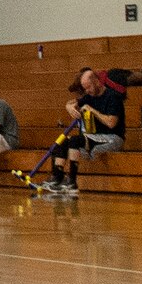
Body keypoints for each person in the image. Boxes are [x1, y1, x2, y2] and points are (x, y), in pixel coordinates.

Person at [46, 67, 125, 195]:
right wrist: (69, 107)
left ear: (97, 82)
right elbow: (73, 102)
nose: (87, 91)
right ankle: (57, 178)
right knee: (62, 142)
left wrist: (92, 110)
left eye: (89, 87)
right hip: (94, 137)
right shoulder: (89, 96)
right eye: (85, 88)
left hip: (112, 138)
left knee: (75, 141)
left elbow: (111, 123)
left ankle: (72, 181)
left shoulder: (113, 97)